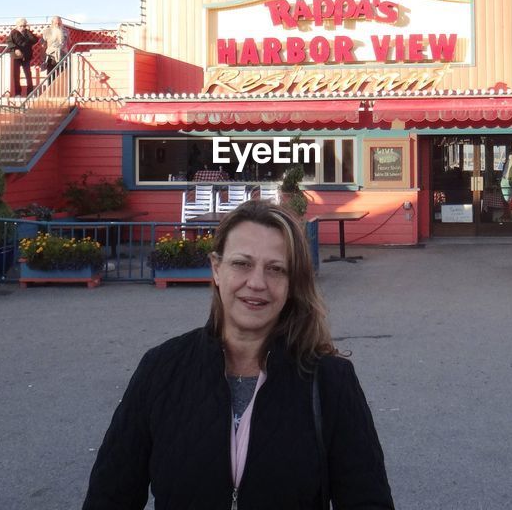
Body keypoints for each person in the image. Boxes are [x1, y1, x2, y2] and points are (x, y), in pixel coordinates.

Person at [83, 200, 393, 509]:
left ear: (291, 283)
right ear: (216, 269)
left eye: (275, 269)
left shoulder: (331, 382)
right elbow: (109, 497)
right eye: (242, 264)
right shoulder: (162, 369)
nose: (257, 283)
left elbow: (368, 501)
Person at [6, 18, 39, 96]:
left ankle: (30, 93)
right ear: (17, 26)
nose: (22, 27)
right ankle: (18, 93)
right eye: (20, 26)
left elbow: (35, 40)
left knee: (28, 74)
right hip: (16, 57)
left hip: (26, 56)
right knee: (16, 75)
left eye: (24, 26)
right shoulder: (13, 33)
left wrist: (28, 31)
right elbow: (9, 42)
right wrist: (16, 49)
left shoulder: (27, 33)